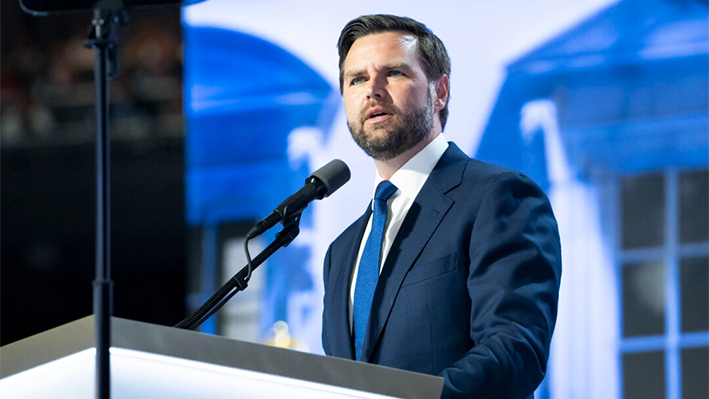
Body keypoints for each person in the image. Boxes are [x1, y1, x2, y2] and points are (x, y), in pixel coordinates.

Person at [321, 14, 562, 399]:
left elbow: (515, 348)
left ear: (441, 91)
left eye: (394, 73)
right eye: (357, 79)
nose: (373, 90)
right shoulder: (341, 251)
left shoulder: (498, 196)